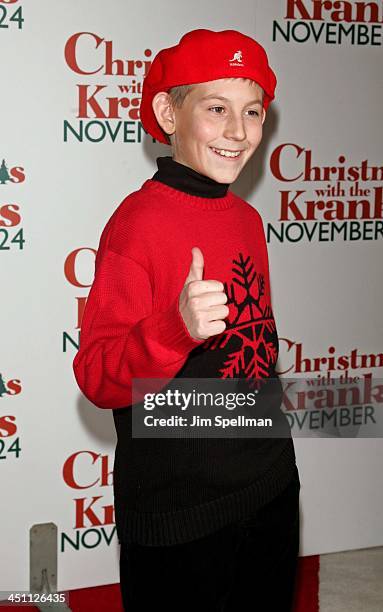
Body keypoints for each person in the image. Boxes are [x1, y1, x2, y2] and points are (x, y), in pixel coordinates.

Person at [73, 28, 301, 611]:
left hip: (270, 482)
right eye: (216, 108)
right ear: (167, 113)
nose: (238, 131)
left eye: (252, 112)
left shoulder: (247, 219)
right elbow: (98, 377)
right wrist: (174, 330)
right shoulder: (138, 223)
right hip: (180, 512)